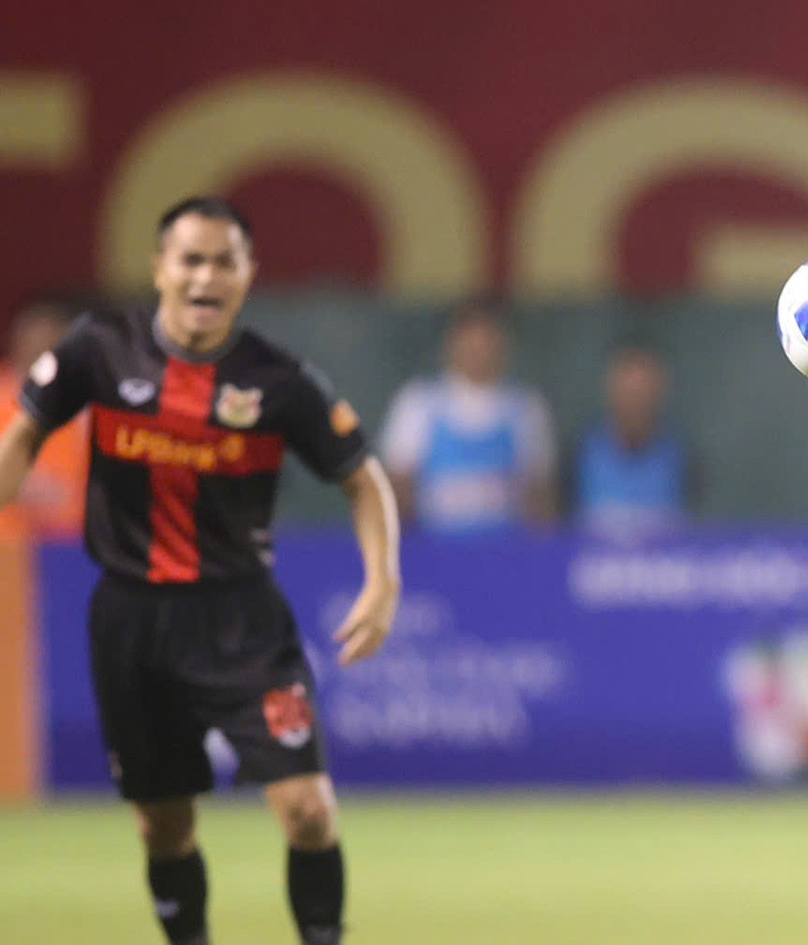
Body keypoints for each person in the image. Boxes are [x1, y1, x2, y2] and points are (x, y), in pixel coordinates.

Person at [0, 196, 401, 945]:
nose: (205, 277)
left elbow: (363, 477)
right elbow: (24, 436)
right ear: (161, 268)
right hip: (132, 621)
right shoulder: (98, 349)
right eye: (191, 259)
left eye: (224, 262)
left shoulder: (280, 381)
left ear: (248, 275)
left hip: (243, 622)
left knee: (309, 810)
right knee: (164, 825)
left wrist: (383, 584)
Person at [380, 298, 558, 534]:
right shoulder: (418, 403)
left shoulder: (526, 408)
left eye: (488, 337)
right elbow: (398, 491)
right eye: (471, 337)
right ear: (451, 342)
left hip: (506, 552)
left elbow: (540, 500)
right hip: (434, 551)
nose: (479, 348)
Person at [575, 346, 689, 537]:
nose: (635, 403)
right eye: (628, 392)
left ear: (659, 392)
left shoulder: (682, 459)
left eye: (642, 392)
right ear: (610, 389)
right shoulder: (579, 455)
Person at [0, 298, 89, 539]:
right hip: (8, 542)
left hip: (67, 541)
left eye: (52, 338)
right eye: (35, 336)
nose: (41, 344)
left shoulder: (85, 402)